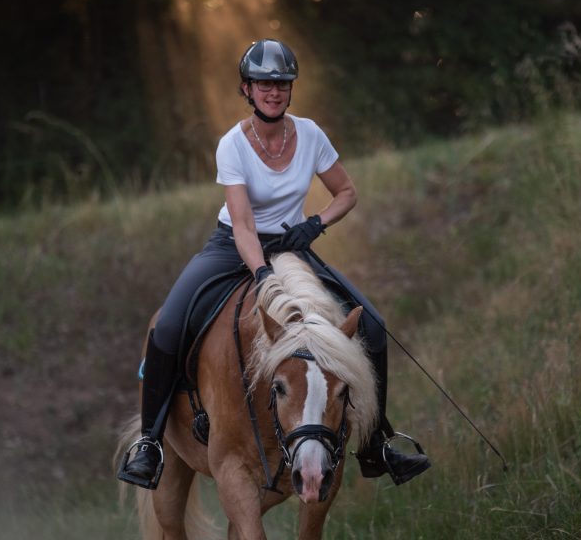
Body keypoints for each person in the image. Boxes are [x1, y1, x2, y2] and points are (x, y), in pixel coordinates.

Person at [119, 38, 431, 490]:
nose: (274, 91)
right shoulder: (232, 145)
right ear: (247, 88)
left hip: (292, 245)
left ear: (290, 88)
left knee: (374, 326)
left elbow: (347, 193)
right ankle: (149, 443)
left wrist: (314, 225)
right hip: (232, 246)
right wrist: (263, 273)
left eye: (282, 83)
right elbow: (244, 225)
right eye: (264, 83)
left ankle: (376, 442)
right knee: (167, 326)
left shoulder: (310, 134)